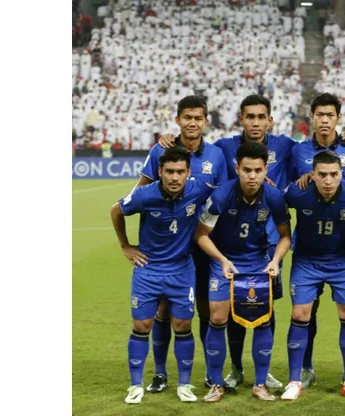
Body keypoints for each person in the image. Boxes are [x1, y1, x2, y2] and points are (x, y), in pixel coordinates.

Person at [156, 94, 345, 390]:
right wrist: (171, 140)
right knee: (224, 310)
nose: (255, 122)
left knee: (266, 308)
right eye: (249, 116)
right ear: (241, 119)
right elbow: (196, 149)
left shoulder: (286, 146)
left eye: (261, 117)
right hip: (231, 241)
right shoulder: (224, 147)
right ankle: (235, 369)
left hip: (271, 244)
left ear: (270, 120)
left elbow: (320, 154)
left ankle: (273, 371)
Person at [133, 96, 227, 394]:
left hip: (204, 243)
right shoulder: (161, 150)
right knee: (163, 309)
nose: (192, 123)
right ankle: (161, 374)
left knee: (205, 309)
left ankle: (210, 374)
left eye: (198, 118)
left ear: (206, 122)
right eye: (187, 117)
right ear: (178, 120)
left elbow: (223, 197)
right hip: (168, 249)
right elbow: (139, 194)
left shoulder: (216, 155)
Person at [110, 147, 215, 404]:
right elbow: (116, 211)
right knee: (141, 326)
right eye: (169, 171)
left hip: (182, 269)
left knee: (182, 326)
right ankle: (135, 386)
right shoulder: (144, 195)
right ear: (160, 172)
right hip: (148, 269)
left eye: (180, 171)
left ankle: (184, 385)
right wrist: (125, 246)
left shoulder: (199, 189)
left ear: (188, 172)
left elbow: (226, 193)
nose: (174, 177)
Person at [194, 140, 292, 402]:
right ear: (237, 168)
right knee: (217, 318)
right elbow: (201, 235)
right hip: (224, 261)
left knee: (262, 320)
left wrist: (275, 260)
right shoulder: (221, 197)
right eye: (247, 170)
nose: (252, 176)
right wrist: (222, 259)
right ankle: (217, 384)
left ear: (265, 169)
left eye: (258, 170)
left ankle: (260, 384)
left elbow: (285, 236)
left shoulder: (274, 197)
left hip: (257, 263)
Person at [280, 150, 345, 401]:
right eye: (322, 175)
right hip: (307, 260)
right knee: (300, 313)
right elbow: (275, 199)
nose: (328, 181)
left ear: (342, 174)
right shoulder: (298, 193)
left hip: (343, 259)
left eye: (333, 174)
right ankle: (294, 380)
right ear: (312, 175)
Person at [288, 93, 345, 388]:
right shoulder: (297, 151)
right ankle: (305, 368)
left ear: (338, 118)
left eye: (330, 115)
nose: (324, 120)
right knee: (306, 311)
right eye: (319, 115)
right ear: (311, 117)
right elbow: (288, 190)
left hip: (342, 247)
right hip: (307, 249)